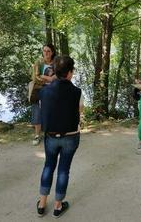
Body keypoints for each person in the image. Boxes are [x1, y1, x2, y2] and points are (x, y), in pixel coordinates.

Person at [36, 55, 83, 218]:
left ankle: (42, 203)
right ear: (70, 73)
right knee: (64, 170)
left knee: (48, 166)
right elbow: (80, 111)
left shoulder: (43, 91)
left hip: (50, 136)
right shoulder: (77, 92)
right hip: (70, 136)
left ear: (54, 71)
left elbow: (44, 111)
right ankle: (57, 206)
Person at [30, 44, 56, 146]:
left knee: (51, 111)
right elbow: (35, 78)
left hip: (53, 90)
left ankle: (49, 133)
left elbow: (57, 77)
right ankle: (37, 135)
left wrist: (44, 77)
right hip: (38, 90)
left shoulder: (56, 63)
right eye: (44, 51)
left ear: (52, 52)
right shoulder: (38, 62)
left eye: (48, 51)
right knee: (36, 110)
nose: (46, 53)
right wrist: (47, 81)